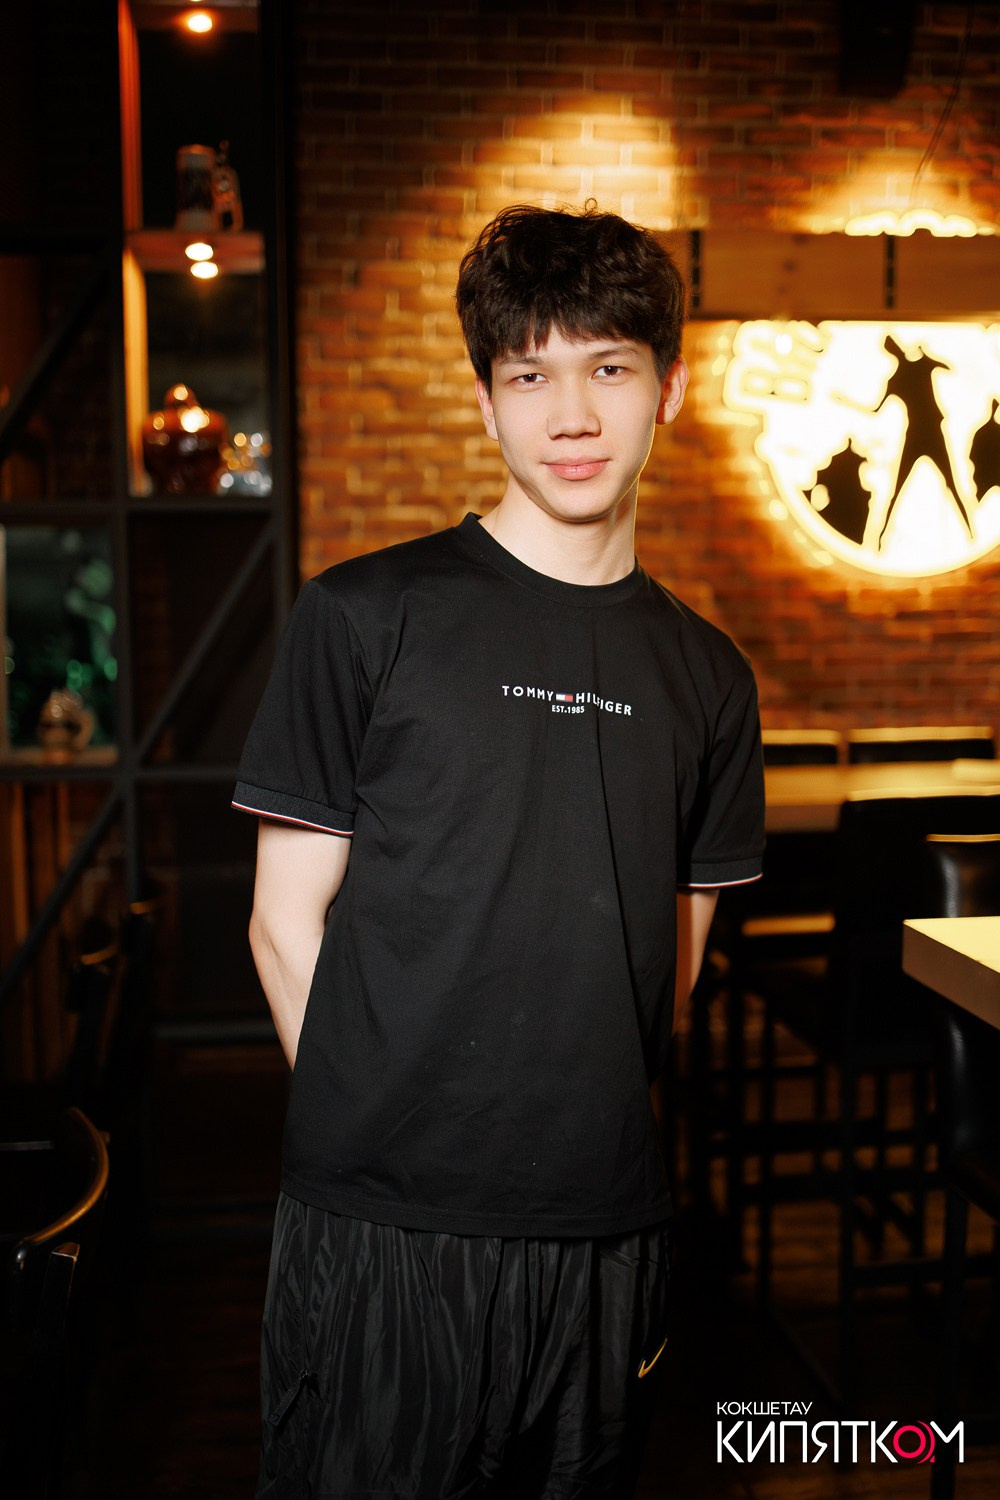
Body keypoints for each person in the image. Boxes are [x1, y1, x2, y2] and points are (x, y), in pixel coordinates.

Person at [233, 203, 765, 1500]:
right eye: (530, 375)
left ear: (669, 389)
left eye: (608, 367)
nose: (571, 415)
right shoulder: (363, 617)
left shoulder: (709, 674)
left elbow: (669, 969)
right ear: (486, 403)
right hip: (386, 1226)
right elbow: (283, 925)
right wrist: (391, 1130)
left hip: (606, 1229)